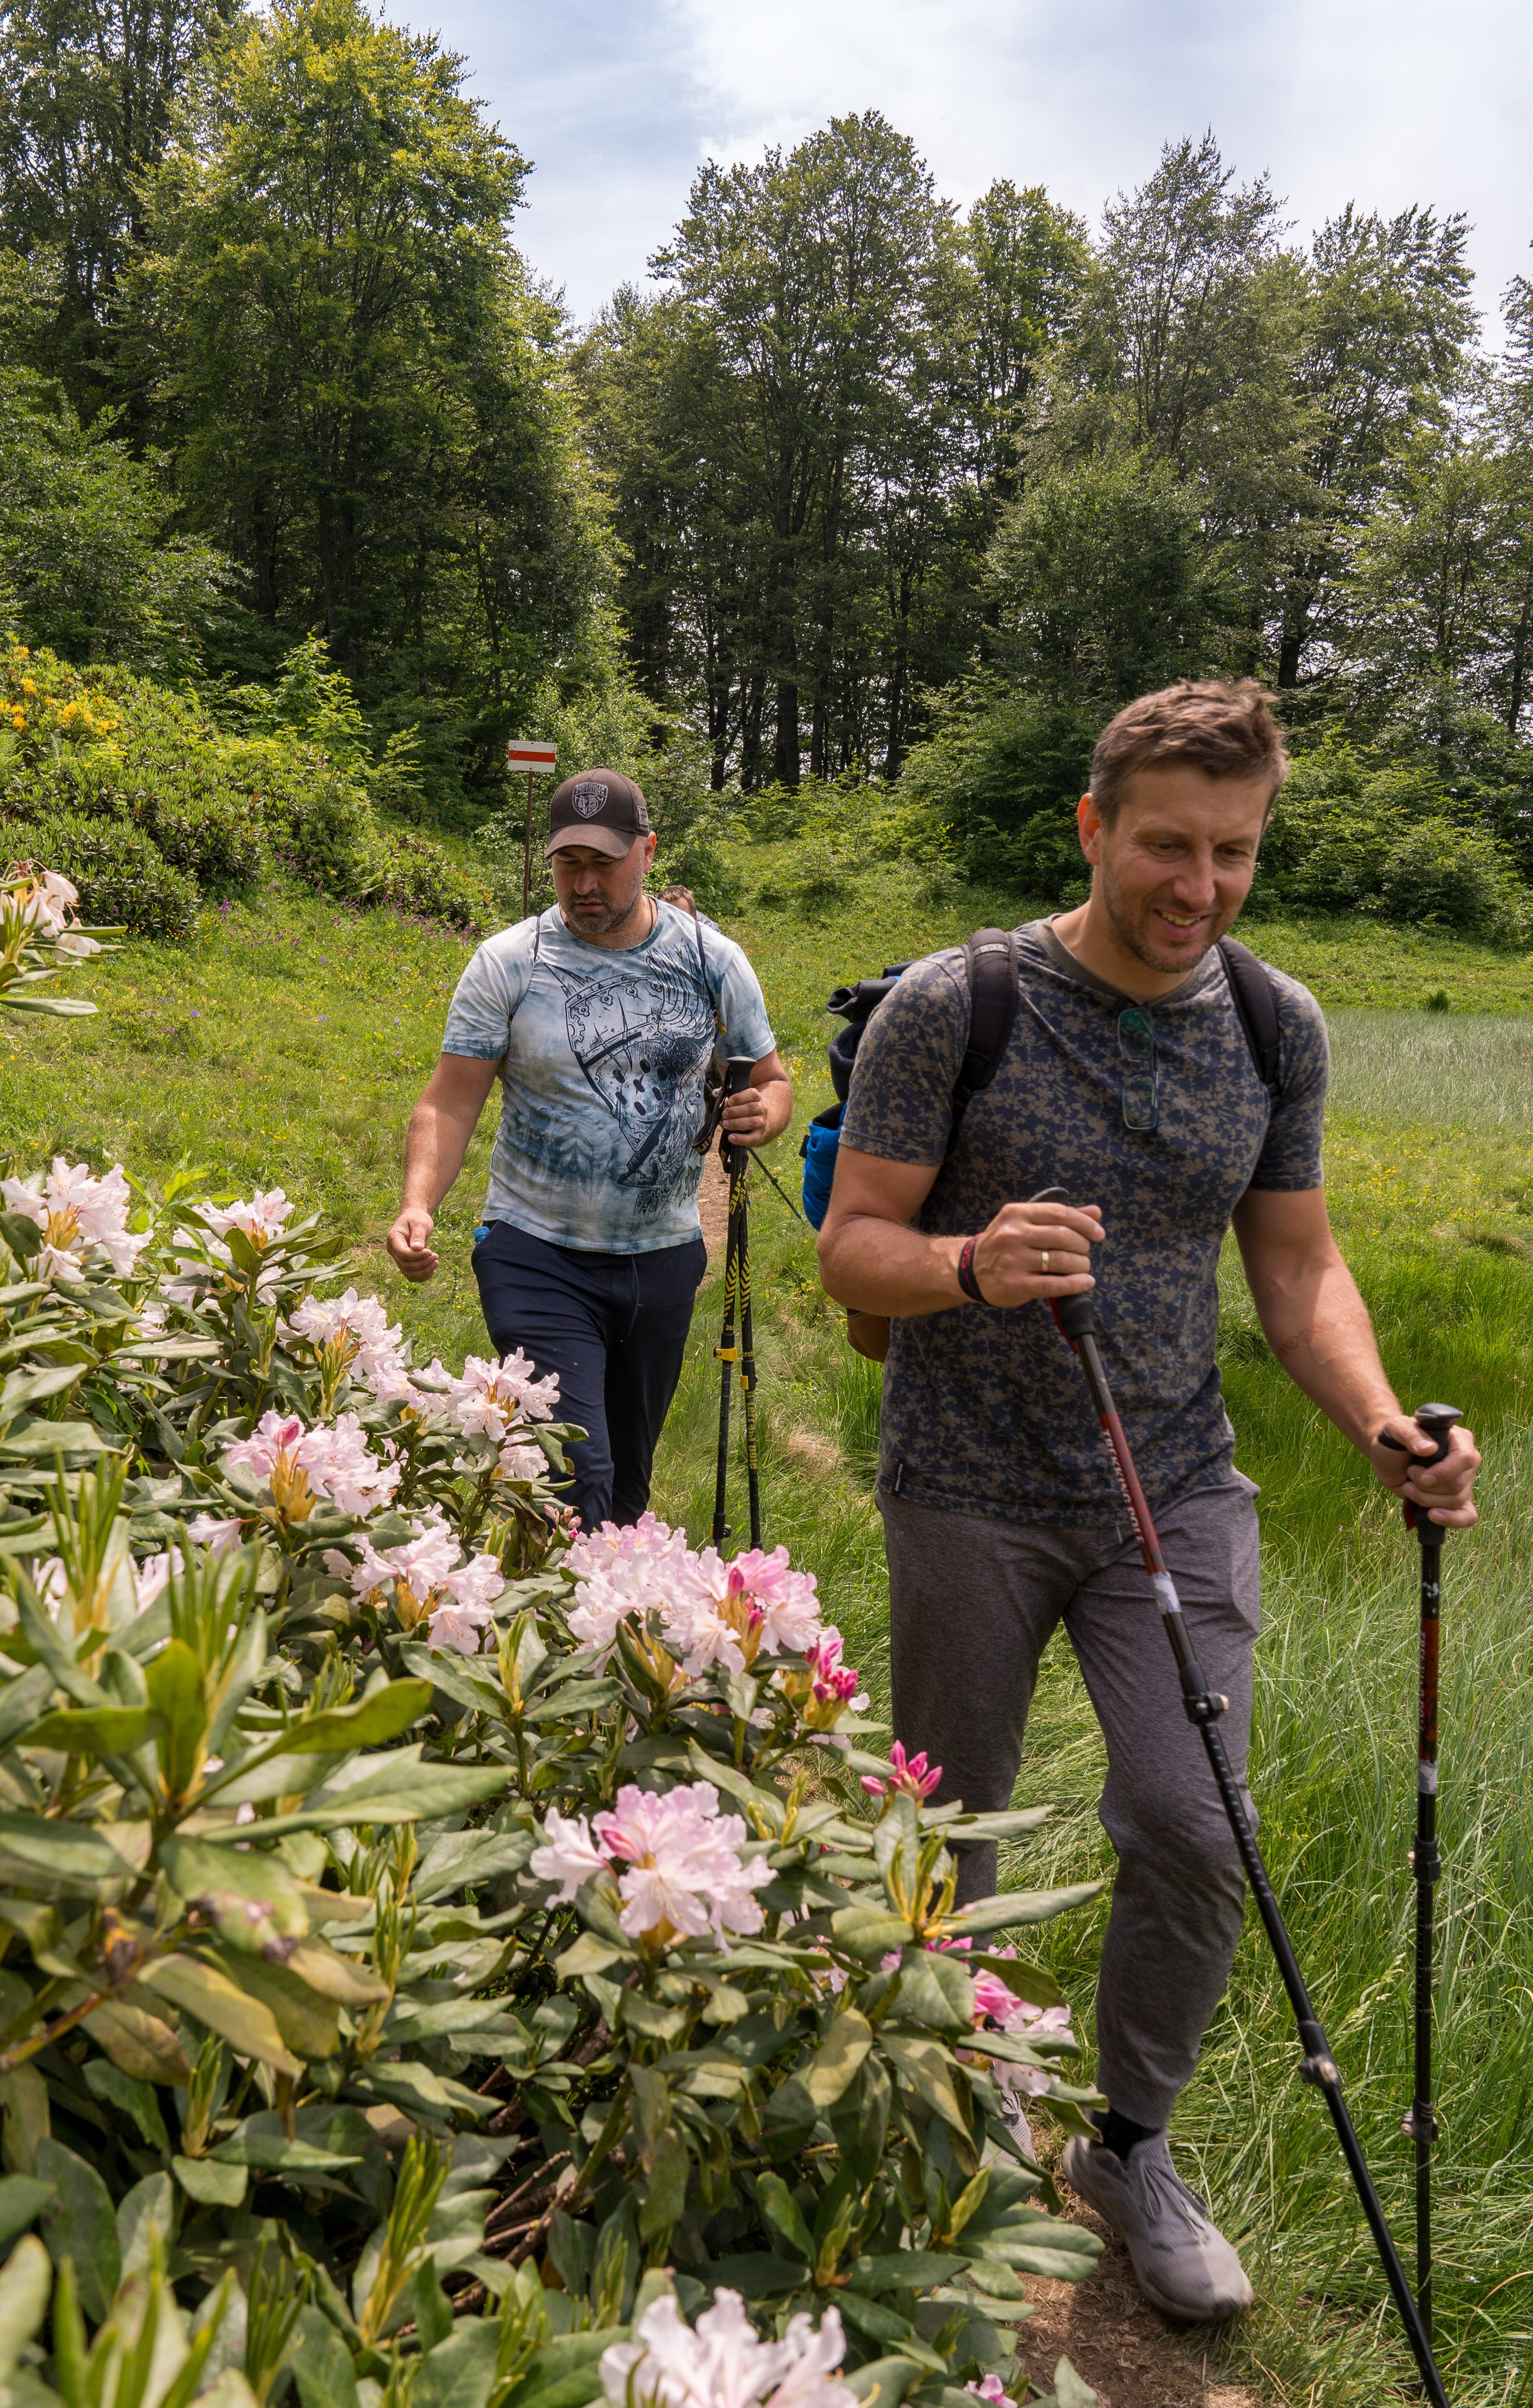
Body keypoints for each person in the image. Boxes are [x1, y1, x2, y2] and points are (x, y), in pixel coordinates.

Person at [815, 680, 1480, 2323]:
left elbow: (1301, 1268)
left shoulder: (1276, 1025)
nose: (1200, 885)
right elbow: (854, 1247)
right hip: (964, 1487)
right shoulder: (951, 1006)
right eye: (1168, 846)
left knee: (1200, 1828)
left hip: (1170, 1487)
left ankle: (1127, 2146)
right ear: (1097, 828)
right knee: (949, 1835)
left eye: (1235, 853)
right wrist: (968, 1263)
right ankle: (934, 2122)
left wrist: (1391, 1423)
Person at [387, 767, 792, 1532]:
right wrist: (418, 1204)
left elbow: (772, 1080)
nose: (585, 883)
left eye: (604, 862)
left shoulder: (712, 960)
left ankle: (593, 1629)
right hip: (533, 1248)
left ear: (647, 852)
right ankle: (533, 1630)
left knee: (627, 1489)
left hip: (663, 1256)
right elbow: (450, 1099)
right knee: (577, 1472)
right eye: (569, 863)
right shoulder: (509, 962)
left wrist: (760, 1115)